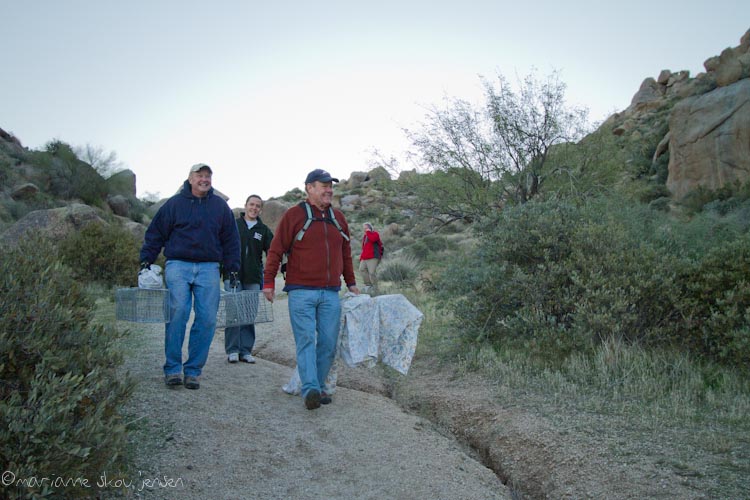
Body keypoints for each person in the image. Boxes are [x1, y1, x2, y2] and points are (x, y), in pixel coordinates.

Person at [263, 168, 359, 410]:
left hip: (330, 293)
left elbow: (345, 253)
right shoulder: (294, 215)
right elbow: (276, 249)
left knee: (328, 344)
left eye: (331, 185)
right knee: (306, 340)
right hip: (301, 291)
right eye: (323, 185)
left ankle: (315, 384)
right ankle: (311, 390)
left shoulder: (338, 218)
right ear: (309, 188)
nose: (329, 189)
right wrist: (268, 281)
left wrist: (352, 283)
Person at [140, 163, 240, 390]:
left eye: (208, 176)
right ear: (190, 178)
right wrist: (146, 260)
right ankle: (173, 369)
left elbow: (231, 240)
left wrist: (233, 268)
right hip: (178, 265)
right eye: (200, 175)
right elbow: (155, 233)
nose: (204, 179)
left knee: (207, 319)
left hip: (208, 268)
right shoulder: (174, 204)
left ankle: (193, 370)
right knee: (178, 313)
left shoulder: (220, 207)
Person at [222, 194, 273, 364]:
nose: (254, 208)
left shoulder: (263, 230)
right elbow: (222, 246)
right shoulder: (233, 225)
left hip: (253, 276)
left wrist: (269, 275)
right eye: (251, 204)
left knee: (249, 314)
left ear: (260, 209)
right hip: (233, 275)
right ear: (245, 206)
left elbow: (272, 253)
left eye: (258, 206)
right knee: (233, 313)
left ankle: (245, 350)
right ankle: (232, 350)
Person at [359, 222, 383, 291]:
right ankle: (368, 285)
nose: (365, 230)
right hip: (365, 257)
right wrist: (361, 258)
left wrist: (369, 232)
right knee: (361, 269)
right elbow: (364, 248)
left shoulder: (375, 234)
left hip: (373, 256)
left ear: (370, 228)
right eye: (364, 228)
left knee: (372, 272)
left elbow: (373, 239)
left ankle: (375, 288)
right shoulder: (365, 236)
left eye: (366, 228)